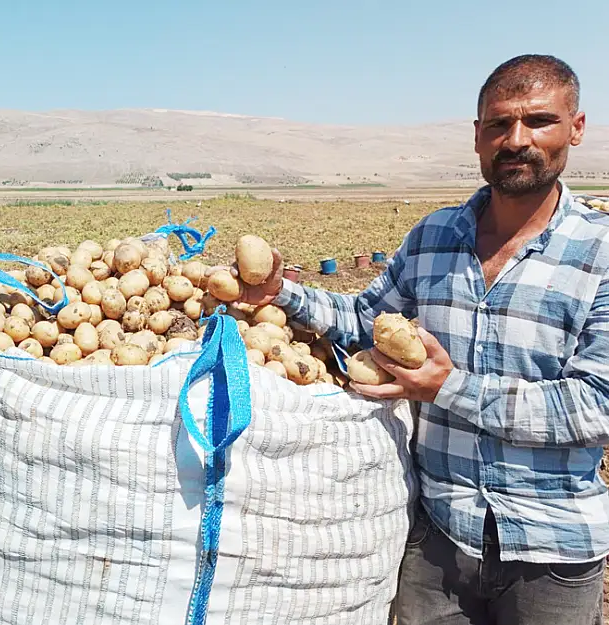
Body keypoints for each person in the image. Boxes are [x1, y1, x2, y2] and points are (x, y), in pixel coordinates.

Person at [242, 54, 608, 624]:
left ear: (576, 128)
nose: (516, 140)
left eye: (539, 121)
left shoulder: (600, 253)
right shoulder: (434, 235)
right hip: (439, 542)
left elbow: (596, 405)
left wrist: (448, 388)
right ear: (478, 137)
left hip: (552, 551)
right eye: (498, 124)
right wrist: (282, 294)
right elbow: (367, 319)